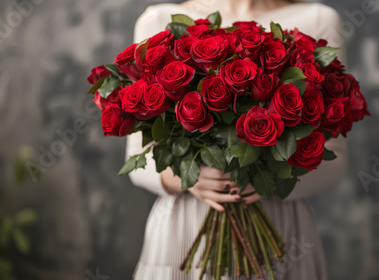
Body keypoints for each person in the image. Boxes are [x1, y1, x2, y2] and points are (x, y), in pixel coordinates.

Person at [126, 0, 347, 279]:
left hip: (281, 221)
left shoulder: (318, 18)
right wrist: (187, 177)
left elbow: (335, 160)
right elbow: (138, 158)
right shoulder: (158, 19)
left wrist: (272, 182)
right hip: (186, 224)